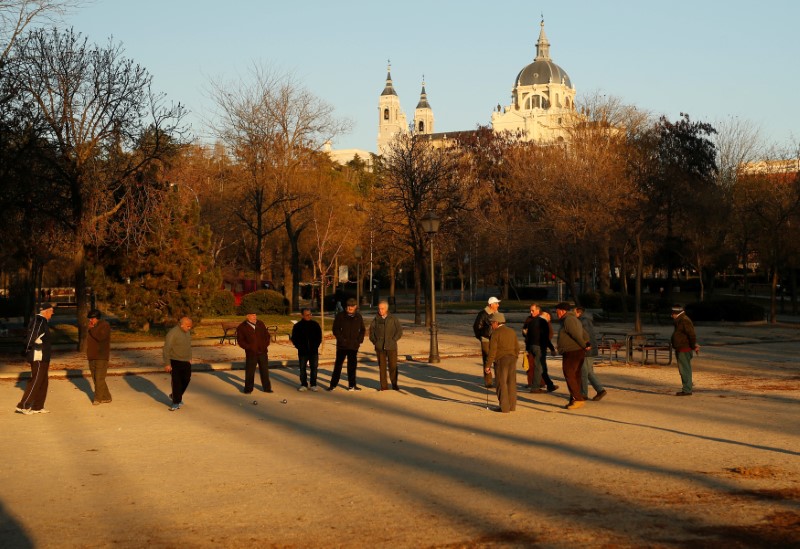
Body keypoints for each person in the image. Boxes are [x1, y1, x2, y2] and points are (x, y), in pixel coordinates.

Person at [15, 303, 55, 414]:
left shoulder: (43, 321)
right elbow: (32, 336)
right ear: (45, 311)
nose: (53, 313)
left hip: (44, 356)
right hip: (38, 356)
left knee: (43, 382)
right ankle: (23, 406)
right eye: (51, 310)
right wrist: (27, 349)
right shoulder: (39, 320)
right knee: (36, 380)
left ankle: (38, 406)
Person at [555, 302, 590, 410]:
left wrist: (584, 345)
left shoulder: (568, 320)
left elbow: (575, 334)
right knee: (576, 375)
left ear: (562, 311)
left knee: (569, 374)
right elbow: (584, 333)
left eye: (556, 312)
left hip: (572, 351)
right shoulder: (574, 319)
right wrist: (587, 343)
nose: (556, 314)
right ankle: (574, 399)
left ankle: (578, 399)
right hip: (576, 351)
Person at [484, 313, 520, 413]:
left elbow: (492, 351)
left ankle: (504, 407)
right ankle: (512, 406)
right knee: (511, 382)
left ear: (496, 322)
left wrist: (488, 365)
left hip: (501, 360)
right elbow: (517, 347)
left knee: (501, 383)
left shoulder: (495, 333)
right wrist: (515, 357)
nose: (491, 325)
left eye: (492, 323)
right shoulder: (511, 331)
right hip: (512, 359)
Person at [328, 298, 365, 391]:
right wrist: (342, 340)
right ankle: (333, 384)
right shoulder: (340, 316)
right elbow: (335, 329)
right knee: (338, 366)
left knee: (352, 366)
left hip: (353, 346)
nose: (350, 308)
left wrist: (359, 341)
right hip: (342, 346)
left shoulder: (358, 317)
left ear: (355, 307)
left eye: (352, 306)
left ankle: (352, 385)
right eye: (349, 306)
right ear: (346, 307)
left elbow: (363, 330)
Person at [523, 303, 559, 394]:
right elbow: (545, 338)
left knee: (542, 367)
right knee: (539, 367)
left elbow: (527, 336)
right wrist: (552, 349)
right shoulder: (543, 323)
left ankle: (550, 385)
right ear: (546, 315)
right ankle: (535, 387)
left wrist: (528, 348)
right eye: (550, 317)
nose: (549, 319)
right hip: (539, 347)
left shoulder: (531, 322)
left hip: (531, 346)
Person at [369, 300, 404, 391]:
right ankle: (384, 386)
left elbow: (399, 331)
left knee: (393, 366)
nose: (380, 310)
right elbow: (371, 332)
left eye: (382, 309)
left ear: (386, 309)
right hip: (380, 347)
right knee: (382, 367)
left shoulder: (393, 318)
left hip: (391, 346)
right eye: (379, 308)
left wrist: (394, 339)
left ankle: (394, 384)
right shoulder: (376, 319)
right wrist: (375, 341)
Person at [236, 310, 273, 394]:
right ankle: (248, 389)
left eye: (255, 315)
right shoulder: (242, 327)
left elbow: (267, 335)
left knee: (264, 371)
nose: (254, 317)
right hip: (251, 353)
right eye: (252, 315)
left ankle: (267, 388)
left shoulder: (260, 323)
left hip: (262, 352)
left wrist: (265, 344)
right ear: (247, 316)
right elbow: (240, 341)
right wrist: (249, 347)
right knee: (250, 372)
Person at [576, 307, 606, 401]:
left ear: (578, 312)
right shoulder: (586, 320)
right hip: (590, 349)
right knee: (588, 371)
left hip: (587, 350)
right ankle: (599, 390)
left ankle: (585, 393)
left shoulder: (582, 321)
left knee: (584, 372)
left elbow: (584, 336)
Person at [163, 317, 193, 411]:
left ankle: (175, 395)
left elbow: (188, 345)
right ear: (182, 324)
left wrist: (190, 358)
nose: (189, 328)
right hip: (174, 361)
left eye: (190, 326)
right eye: (188, 326)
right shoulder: (173, 333)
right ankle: (176, 402)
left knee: (186, 379)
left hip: (186, 360)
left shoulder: (187, 332)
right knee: (176, 382)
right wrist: (167, 363)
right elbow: (166, 348)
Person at [290, 308, 323, 391]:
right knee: (302, 368)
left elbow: (319, 337)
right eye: (307, 315)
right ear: (302, 315)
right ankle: (304, 384)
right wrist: (299, 347)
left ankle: (313, 384)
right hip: (302, 351)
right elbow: (294, 338)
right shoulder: (298, 326)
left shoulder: (315, 325)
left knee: (314, 368)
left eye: (310, 314)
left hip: (313, 351)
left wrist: (316, 346)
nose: (309, 316)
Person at [670, 304, 699, 396]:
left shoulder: (684, 321)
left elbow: (692, 335)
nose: (671, 316)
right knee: (685, 369)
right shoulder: (681, 320)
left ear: (676, 313)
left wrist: (693, 345)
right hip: (682, 347)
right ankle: (687, 387)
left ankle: (687, 389)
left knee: (684, 369)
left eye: (672, 313)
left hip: (684, 348)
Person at [473, 296, 500, 388]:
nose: (498, 305)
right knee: (487, 360)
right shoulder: (483, 314)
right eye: (496, 303)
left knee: (497, 359)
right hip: (486, 340)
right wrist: (482, 337)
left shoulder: (497, 314)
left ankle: (498, 380)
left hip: (496, 340)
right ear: (491, 304)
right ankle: (488, 381)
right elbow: (476, 327)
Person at [87, 309, 112, 405]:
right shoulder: (91, 327)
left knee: (99, 378)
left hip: (101, 356)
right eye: (90, 319)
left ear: (97, 318)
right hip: (92, 356)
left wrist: (91, 329)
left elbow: (100, 337)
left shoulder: (104, 325)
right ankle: (106, 396)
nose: (90, 320)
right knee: (95, 378)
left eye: (92, 318)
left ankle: (97, 398)